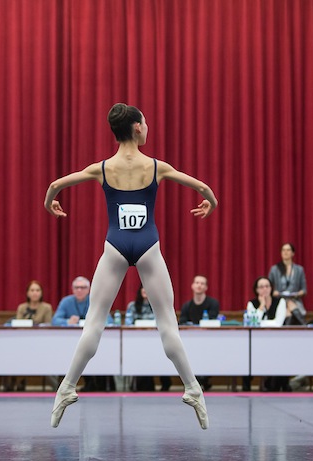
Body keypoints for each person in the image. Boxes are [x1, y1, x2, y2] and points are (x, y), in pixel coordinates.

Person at [44, 103, 217, 429]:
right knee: (167, 324)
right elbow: (204, 189)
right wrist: (210, 203)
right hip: (149, 247)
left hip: (115, 247)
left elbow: (55, 185)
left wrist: (51, 203)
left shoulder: (103, 168)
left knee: (93, 322)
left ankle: (66, 386)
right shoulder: (156, 166)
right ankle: (192, 387)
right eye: (146, 122)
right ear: (137, 127)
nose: (148, 126)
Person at [243, 276, 288, 391]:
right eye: (261, 287)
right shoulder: (252, 304)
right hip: (256, 341)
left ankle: (279, 383)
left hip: (276, 341)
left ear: (271, 288)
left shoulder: (280, 301)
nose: (265, 289)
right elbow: (253, 323)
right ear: (256, 290)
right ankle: (246, 384)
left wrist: (261, 322)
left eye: (267, 286)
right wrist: (261, 306)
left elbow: (279, 323)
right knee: (246, 352)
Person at [125, 286, 172, 391]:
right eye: (143, 288)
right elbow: (128, 323)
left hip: (156, 340)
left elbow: (162, 321)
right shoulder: (132, 306)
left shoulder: (158, 305)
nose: (145, 290)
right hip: (137, 341)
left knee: (161, 355)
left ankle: (165, 382)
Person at [268, 243, 307, 324]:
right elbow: (269, 287)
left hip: (294, 299)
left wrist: (299, 293)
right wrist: (274, 292)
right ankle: (304, 325)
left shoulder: (299, 270)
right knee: (287, 308)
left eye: (288, 250)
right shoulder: (274, 269)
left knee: (290, 305)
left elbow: (304, 289)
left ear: (293, 253)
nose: (285, 252)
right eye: (283, 250)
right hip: (279, 300)